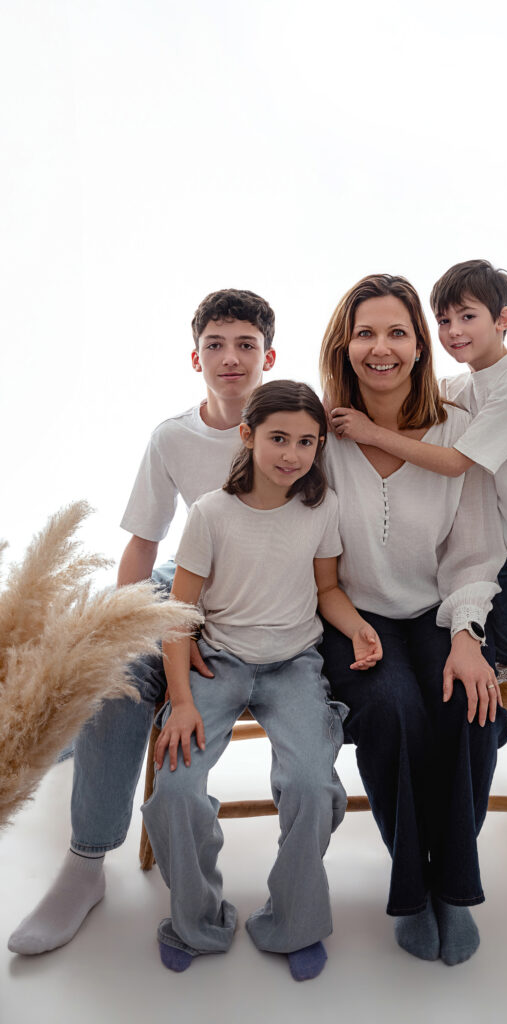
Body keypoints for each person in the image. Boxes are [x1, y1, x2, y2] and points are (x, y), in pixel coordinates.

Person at [8, 288, 277, 956]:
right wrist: (117, 627)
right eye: (216, 344)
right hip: (182, 585)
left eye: (246, 344)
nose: (231, 358)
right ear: (195, 358)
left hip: (260, 603)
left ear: (269, 355)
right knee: (115, 673)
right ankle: (86, 863)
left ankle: (80, 748)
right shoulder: (173, 437)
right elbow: (144, 544)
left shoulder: (297, 424)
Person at [142, 380, 382, 979]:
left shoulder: (319, 508)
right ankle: (195, 920)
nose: (293, 454)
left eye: (307, 442)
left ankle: (294, 920)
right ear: (247, 436)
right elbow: (178, 613)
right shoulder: (210, 515)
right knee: (174, 789)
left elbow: (327, 589)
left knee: (310, 785)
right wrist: (181, 701)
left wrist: (356, 629)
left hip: (294, 664)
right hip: (218, 664)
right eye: (279, 438)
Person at [319, 274, 507, 967]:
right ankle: (411, 889)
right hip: (348, 617)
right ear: (344, 344)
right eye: (365, 332)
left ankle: (452, 889)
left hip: (436, 610)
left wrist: (464, 636)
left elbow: (475, 548)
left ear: (419, 345)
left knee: (472, 706)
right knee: (394, 709)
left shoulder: (457, 430)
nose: (381, 347)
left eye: (397, 332)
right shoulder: (321, 431)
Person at [329, 259, 507, 673]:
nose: (454, 331)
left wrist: (373, 433)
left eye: (468, 317)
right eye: (444, 320)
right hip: (506, 546)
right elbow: (412, 392)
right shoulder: (463, 386)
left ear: (503, 319)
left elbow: (454, 462)